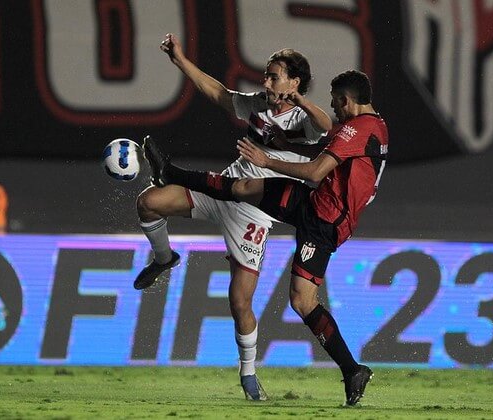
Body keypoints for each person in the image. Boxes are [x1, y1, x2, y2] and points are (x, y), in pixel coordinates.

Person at [142, 69, 387, 406]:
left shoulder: (359, 128)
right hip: (314, 203)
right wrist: (285, 142)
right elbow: (327, 148)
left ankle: (351, 369)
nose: (333, 111)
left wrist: (267, 159)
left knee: (302, 301)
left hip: (325, 221)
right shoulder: (374, 125)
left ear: (347, 101)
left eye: (335, 104)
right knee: (243, 188)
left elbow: (316, 170)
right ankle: (170, 172)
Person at [135, 34, 332, 401]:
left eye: (274, 76)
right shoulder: (258, 103)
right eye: (268, 75)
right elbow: (219, 93)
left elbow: (326, 126)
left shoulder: (304, 117)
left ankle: (249, 375)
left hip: (256, 211)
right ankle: (164, 258)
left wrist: (302, 100)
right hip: (224, 186)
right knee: (149, 202)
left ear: (294, 82)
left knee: (239, 302)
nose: (266, 81)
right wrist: (180, 60)